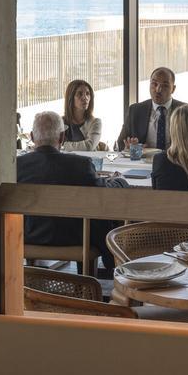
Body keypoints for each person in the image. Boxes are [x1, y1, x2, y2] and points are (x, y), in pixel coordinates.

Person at [17, 111, 118, 269]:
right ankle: (116, 266)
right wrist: (118, 181)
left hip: (29, 236)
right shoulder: (81, 165)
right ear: (62, 137)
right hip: (76, 238)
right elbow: (102, 193)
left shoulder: (17, 166)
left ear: (31, 136)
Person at [115, 67, 188, 151]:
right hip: (143, 162)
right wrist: (128, 147)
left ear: (173, 89)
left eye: (165, 85)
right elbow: (121, 143)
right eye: (154, 84)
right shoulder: (135, 111)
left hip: (176, 162)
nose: (158, 90)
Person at [62, 79, 102, 152]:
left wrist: (63, 145)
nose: (85, 98)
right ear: (70, 98)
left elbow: (89, 146)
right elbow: (52, 146)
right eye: (79, 94)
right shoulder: (59, 122)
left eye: (87, 94)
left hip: (87, 162)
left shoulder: (95, 122)